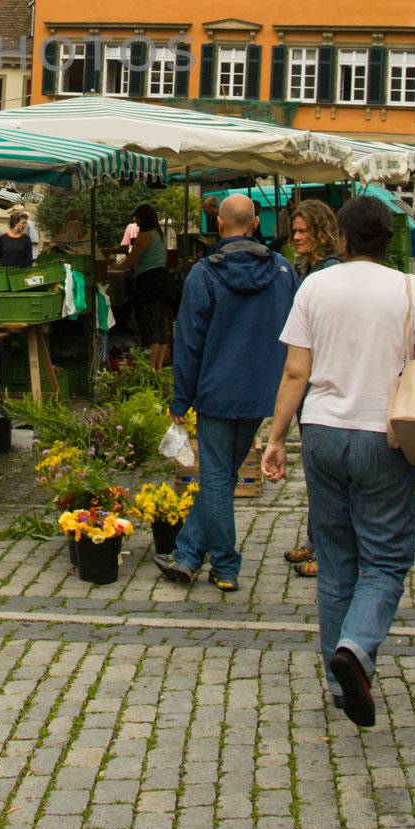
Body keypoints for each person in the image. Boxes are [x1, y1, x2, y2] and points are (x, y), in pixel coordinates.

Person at [262, 195, 415, 728]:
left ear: (342, 238)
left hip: (321, 432)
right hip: (381, 436)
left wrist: (276, 438)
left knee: (336, 556)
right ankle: (357, 648)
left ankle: (339, 680)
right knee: (386, 559)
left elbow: (296, 373)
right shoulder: (411, 290)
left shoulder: (315, 287)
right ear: (388, 239)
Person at [154, 194, 298, 592]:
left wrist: (181, 396)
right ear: (254, 224)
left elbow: (188, 341)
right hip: (260, 391)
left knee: (216, 476)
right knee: (225, 475)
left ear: (218, 224)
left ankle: (225, 564)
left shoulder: (204, 274)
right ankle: (185, 555)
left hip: (216, 390)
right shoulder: (283, 272)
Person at [283, 199, 342, 579]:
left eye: (304, 231)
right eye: (296, 231)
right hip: (312, 386)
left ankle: (328, 551)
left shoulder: (329, 273)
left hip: (322, 385)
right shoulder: (315, 270)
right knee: (317, 473)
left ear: (321, 232)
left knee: (328, 478)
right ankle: (316, 538)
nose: (297, 237)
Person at [116, 204, 176, 370]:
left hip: (149, 284)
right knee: (160, 326)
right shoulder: (159, 235)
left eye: (137, 218)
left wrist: (113, 267)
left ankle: (150, 369)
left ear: (143, 218)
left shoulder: (144, 237)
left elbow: (131, 261)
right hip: (163, 283)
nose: (136, 221)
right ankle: (158, 368)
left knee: (150, 328)